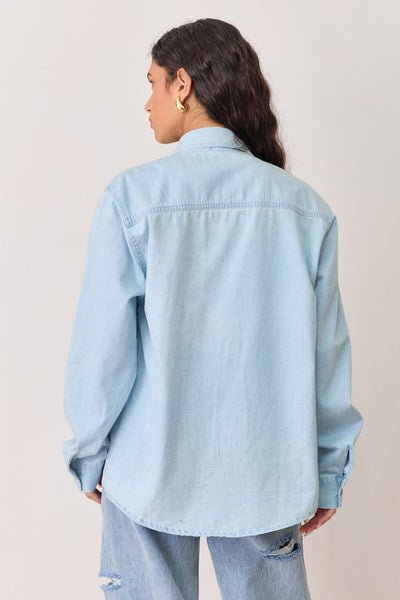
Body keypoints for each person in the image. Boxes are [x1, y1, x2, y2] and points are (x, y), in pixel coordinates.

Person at [62, 17, 363, 599]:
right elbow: (327, 358)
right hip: (267, 477)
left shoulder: (131, 198)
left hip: (147, 473)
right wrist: (328, 471)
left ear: (183, 85)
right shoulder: (306, 210)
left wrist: (88, 453)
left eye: (153, 84)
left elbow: (103, 352)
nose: (147, 103)